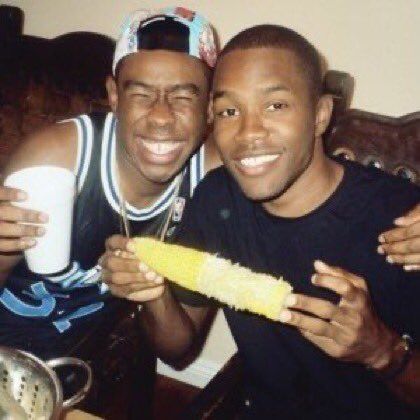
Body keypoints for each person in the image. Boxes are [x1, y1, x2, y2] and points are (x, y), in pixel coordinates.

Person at [103, 25, 420, 419]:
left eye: (276, 106)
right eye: (229, 111)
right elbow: (177, 348)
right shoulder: (218, 199)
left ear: (320, 115)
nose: (248, 132)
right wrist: (153, 294)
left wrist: (383, 352)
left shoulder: (403, 224)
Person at [0, 6, 219, 358]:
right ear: (114, 96)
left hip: (79, 356)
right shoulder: (54, 158)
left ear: (209, 107)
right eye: (141, 94)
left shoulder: (212, 186)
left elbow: (178, 351)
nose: (161, 117)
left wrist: (154, 292)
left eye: (182, 96)